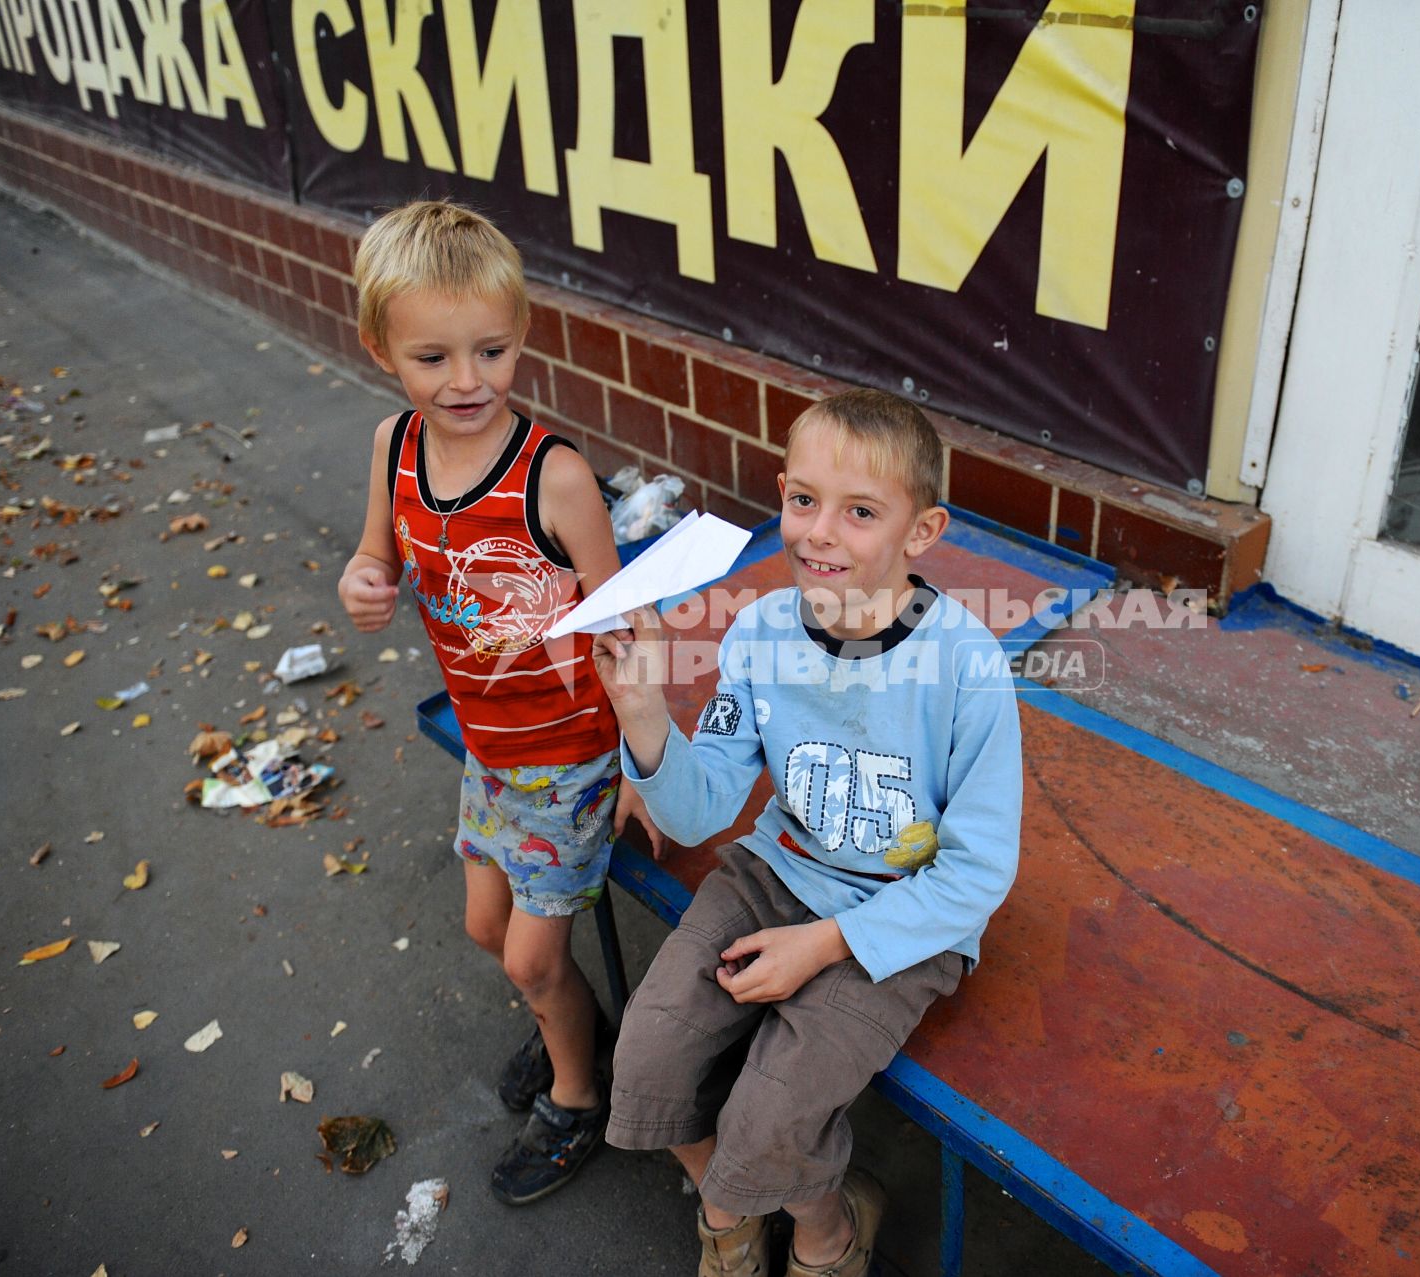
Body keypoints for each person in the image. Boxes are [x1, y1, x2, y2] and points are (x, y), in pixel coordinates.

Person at [592, 389, 1023, 1277]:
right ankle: (729, 1206)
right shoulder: (758, 633)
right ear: (781, 493)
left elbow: (976, 873)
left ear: (920, 529)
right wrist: (641, 713)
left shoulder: (966, 664)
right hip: (776, 871)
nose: (820, 531)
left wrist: (824, 945)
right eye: (803, 501)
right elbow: (704, 809)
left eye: (860, 511)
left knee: (771, 1112)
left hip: (901, 916)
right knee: (645, 1053)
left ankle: (827, 1232)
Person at [336, 199, 656, 1207]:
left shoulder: (554, 477)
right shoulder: (392, 447)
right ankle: (575, 1015)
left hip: (568, 757)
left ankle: (578, 1093)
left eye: (493, 349)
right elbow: (373, 558)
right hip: (491, 751)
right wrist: (360, 584)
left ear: (521, 336)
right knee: (488, 929)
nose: (468, 380)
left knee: (528, 951)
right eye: (434, 356)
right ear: (380, 347)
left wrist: (646, 765)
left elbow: (624, 623)